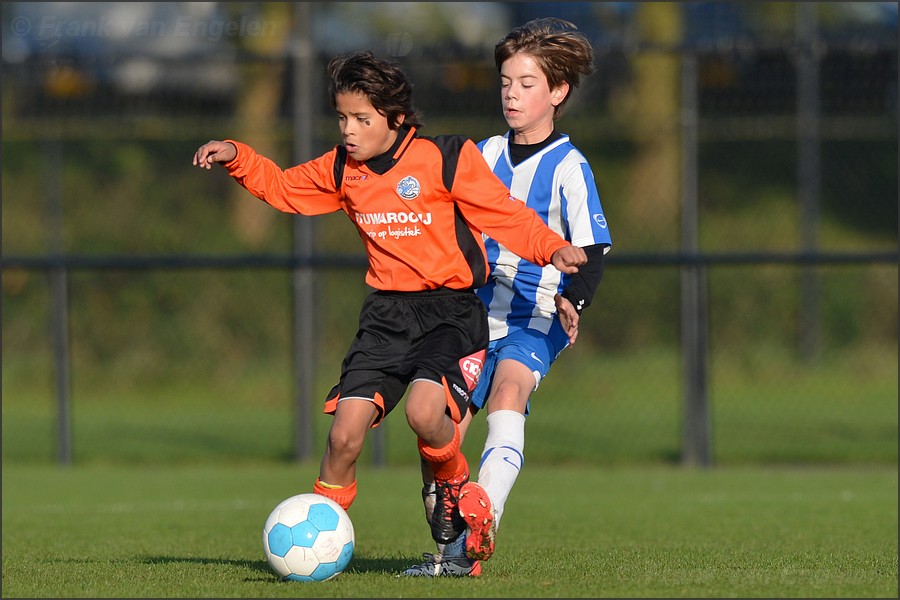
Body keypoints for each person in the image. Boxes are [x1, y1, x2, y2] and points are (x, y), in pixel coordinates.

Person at [192, 50, 586, 575]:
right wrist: (237, 155)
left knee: (427, 415)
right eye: (342, 118)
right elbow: (285, 189)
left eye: (362, 119)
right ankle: (319, 546)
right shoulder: (341, 168)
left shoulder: (446, 157)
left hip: (450, 313)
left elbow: (504, 213)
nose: (349, 131)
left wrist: (549, 246)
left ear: (396, 119)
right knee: (343, 436)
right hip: (386, 318)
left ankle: (453, 495)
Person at [405, 18, 612, 577]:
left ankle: (484, 513)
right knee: (440, 434)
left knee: (509, 392)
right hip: (471, 314)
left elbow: (592, 250)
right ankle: (452, 552)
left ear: (558, 92)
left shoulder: (570, 167)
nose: (512, 94)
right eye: (505, 82)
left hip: (536, 312)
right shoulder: (482, 154)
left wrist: (576, 300)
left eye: (526, 83)